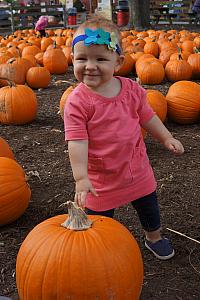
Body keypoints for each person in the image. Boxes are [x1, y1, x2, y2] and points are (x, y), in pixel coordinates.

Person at [64, 16, 184, 260]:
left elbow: (147, 117)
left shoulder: (131, 90)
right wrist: (81, 177)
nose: (89, 65)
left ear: (117, 62)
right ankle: (103, 245)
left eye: (100, 59)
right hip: (100, 178)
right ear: (72, 59)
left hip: (135, 168)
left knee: (148, 206)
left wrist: (166, 137)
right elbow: (76, 141)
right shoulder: (77, 102)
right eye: (81, 58)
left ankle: (154, 237)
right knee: (101, 219)